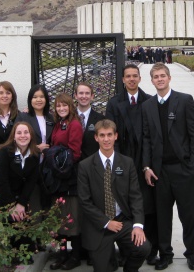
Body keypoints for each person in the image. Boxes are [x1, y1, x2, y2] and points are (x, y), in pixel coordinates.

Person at [142, 63, 194, 271]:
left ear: (169, 78)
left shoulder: (184, 100)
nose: (159, 79)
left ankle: (193, 254)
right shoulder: (147, 106)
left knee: (188, 215)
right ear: (151, 81)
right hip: (160, 172)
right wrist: (147, 167)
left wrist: (193, 163)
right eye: (156, 77)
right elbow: (147, 138)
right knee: (163, 218)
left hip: (183, 169)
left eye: (162, 76)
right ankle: (165, 254)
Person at [78, 119, 152, 272]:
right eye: (102, 135)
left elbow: (136, 196)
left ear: (116, 136)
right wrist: (106, 222)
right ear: (96, 138)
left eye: (109, 135)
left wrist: (138, 226)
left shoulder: (127, 163)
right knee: (104, 268)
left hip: (122, 221)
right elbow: (85, 202)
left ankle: (130, 269)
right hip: (99, 224)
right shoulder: (85, 166)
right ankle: (109, 260)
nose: (106, 139)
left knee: (143, 247)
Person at [105, 64, 159, 265]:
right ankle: (127, 250)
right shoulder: (114, 103)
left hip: (145, 163)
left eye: (135, 76)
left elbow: (151, 136)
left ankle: (151, 249)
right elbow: (111, 136)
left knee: (148, 207)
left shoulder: (149, 101)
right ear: (122, 79)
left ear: (139, 78)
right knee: (125, 207)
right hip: (123, 162)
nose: (131, 79)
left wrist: (146, 164)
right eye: (127, 76)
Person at [0, 121, 41, 260]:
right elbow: (1, 181)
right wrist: (11, 206)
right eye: (19, 133)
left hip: (19, 195)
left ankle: (22, 252)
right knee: (11, 222)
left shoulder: (35, 154)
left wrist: (21, 203)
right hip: (1, 194)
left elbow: (31, 182)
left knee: (28, 253)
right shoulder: (5, 152)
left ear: (31, 136)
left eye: (26, 132)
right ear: (13, 136)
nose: (23, 136)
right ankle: (10, 254)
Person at [48, 93, 83, 271]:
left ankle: (75, 255)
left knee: (72, 216)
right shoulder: (58, 124)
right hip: (57, 176)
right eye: (58, 106)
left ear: (70, 107)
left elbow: (75, 153)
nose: (61, 108)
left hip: (69, 178)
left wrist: (56, 156)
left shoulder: (74, 124)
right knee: (59, 217)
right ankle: (62, 254)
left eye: (64, 105)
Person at [19, 84, 54, 210]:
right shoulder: (24, 116)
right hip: (30, 164)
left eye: (41, 97)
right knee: (31, 201)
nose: (38, 100)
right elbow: (17, 140)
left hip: (48, 167)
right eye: (35, 97)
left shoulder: (52, 117)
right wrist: (35, 148)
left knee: (47, 202)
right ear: (30, 99)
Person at [75, 82, 105, 160]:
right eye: (81, 93)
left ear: (92, 96)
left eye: (87, 93)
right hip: (71, 165)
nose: (84, 96)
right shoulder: (68, 117)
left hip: (92, 164)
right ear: (75, 96)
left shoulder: (101, 119)